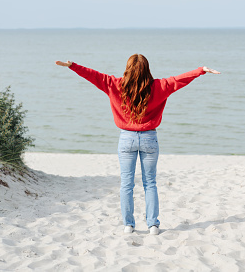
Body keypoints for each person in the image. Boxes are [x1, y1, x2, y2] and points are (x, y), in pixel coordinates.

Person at [56, 54, 220, 235]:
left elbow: (94, 76)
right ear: (147, 69)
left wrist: (73, 66)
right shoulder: (159, 86)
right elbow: (179, 80)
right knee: (150, 183)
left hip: (126, 139)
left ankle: (128, 225)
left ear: (127, 69)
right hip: (149, 138)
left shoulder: (114, 84)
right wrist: (200, 71)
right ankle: (153, 226)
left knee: (126, 184)